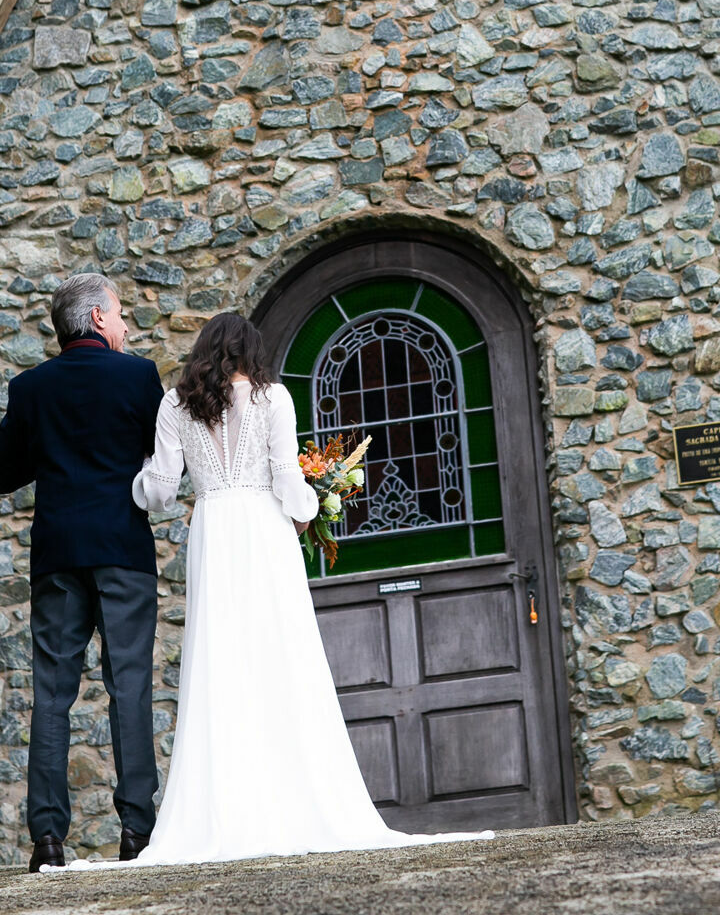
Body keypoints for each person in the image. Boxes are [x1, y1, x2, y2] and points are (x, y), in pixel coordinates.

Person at [66, 308, 490, 868]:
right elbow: (288, 477)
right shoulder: (274, 399)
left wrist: (138, 479)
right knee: (282, 657)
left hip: (213, 530)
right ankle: (293, 795)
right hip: (265, 532)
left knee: (220, 665)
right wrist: (315, 506)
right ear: (251, 351)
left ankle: (226, 809)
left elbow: (161, 490)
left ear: (202, 350)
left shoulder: (175, 403)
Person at [0, 272, 163, 873]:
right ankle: (137, 830)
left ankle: (48, 840)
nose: (126, 324)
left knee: (53, 694)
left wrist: (53, 449)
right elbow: (161, 458)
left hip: (57, 554)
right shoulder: (137, 376)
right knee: (130, 684)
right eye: (121, 314)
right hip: (123, 550)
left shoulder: (30, 388)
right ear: (97, 320)